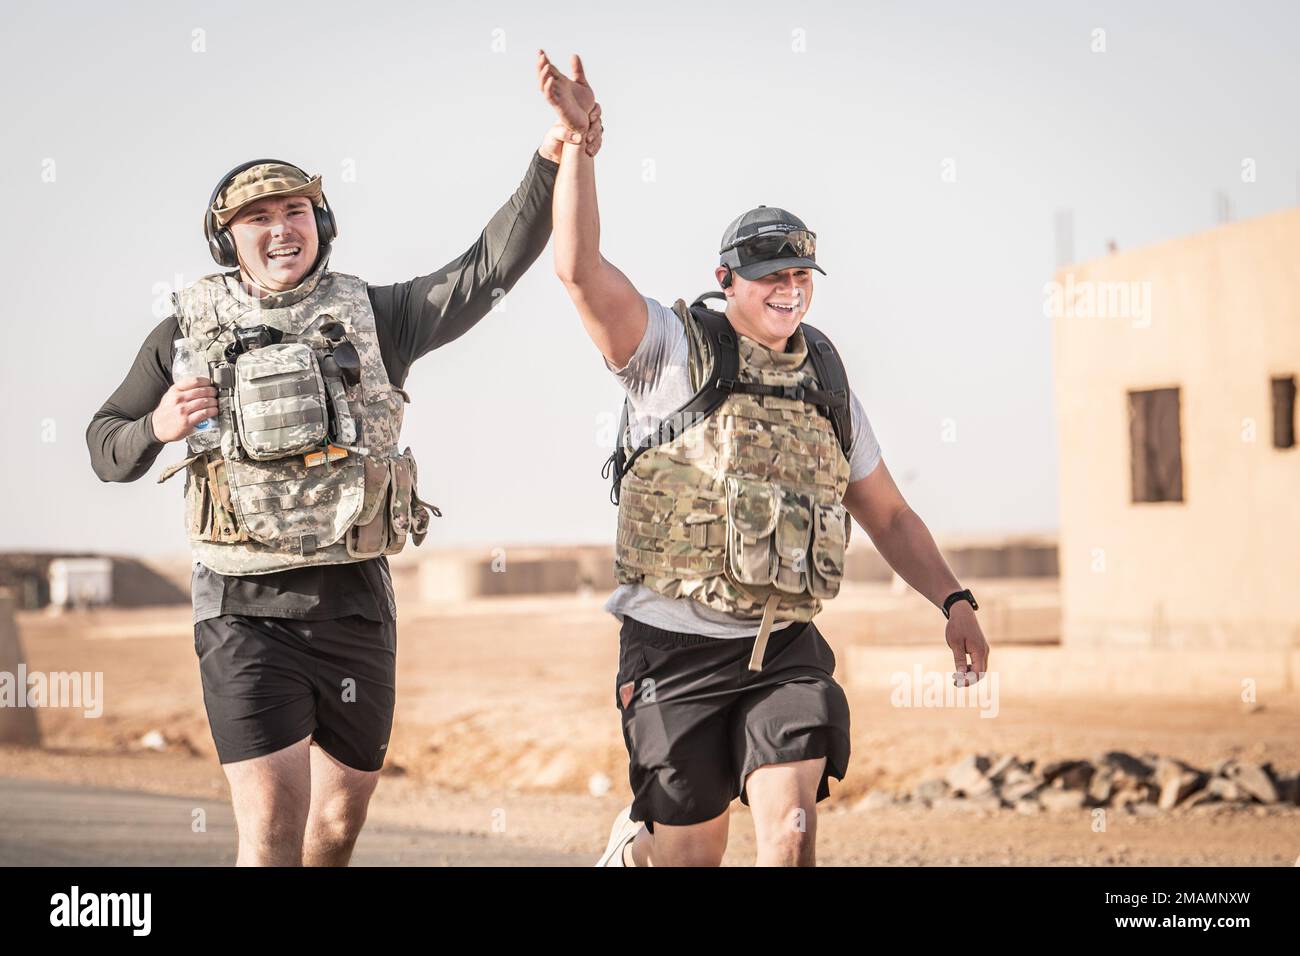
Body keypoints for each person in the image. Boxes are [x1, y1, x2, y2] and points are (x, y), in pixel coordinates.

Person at [86, 99, 603, 866]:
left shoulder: (380, 317)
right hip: (242, 609)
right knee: (270, 834)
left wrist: (554, 154)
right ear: (228, 240)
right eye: (257, 218)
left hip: (355, 604)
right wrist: (156, 426)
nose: (280, 228)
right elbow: (105, 446)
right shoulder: (184, 335)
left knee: (332, 835)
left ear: (321, 223)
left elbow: (487, 269)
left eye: (295, 210)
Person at [537, 51, 989, 867]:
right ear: (726, 280)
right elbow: (577, 272)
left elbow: (885, 511)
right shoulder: (673, 350)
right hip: (672, 650)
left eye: (799, 275)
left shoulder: (825, 377)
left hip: (784, 646)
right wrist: (577, 150)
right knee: (693, 857)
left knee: (790, 832)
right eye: (768, 276)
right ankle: (641, 844)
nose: (788, 290)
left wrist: (953, 599)